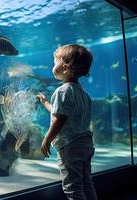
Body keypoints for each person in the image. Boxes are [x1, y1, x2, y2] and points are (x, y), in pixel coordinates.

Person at [37, 44, 97, 200]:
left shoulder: (62, 91)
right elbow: (61, 112)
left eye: (55, 62)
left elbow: (60, 119)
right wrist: (45, 102)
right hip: (86, 145)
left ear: (65, 67)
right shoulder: (82, 93)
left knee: (72, 187)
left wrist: (47, 138)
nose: (53, 66)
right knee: (86, 182)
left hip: (70, 147)